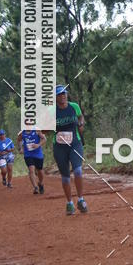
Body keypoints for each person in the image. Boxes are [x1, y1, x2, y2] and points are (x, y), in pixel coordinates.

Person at [53, 85, 88, 215]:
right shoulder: (52, 111)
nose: (62, 96)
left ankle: (81, 199)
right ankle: (69, 203)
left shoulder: (74, 106)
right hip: (60, 147)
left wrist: (81, 124)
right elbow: (43, 130)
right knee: (66, 177)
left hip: (75, 143)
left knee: (78, 171)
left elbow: (80, 116)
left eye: (64, 94)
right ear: (55, 97)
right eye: (59, 94)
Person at [17, 128, 47, 194]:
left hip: (38, 154)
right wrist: (20, 148)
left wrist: (38, 145)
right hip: (28, 154)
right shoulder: (22, 133)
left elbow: (44, 139)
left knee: (40, 171)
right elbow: (18, 140)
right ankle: (35, 187)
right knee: (31, 170)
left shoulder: (37, 130)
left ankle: (40, 183)